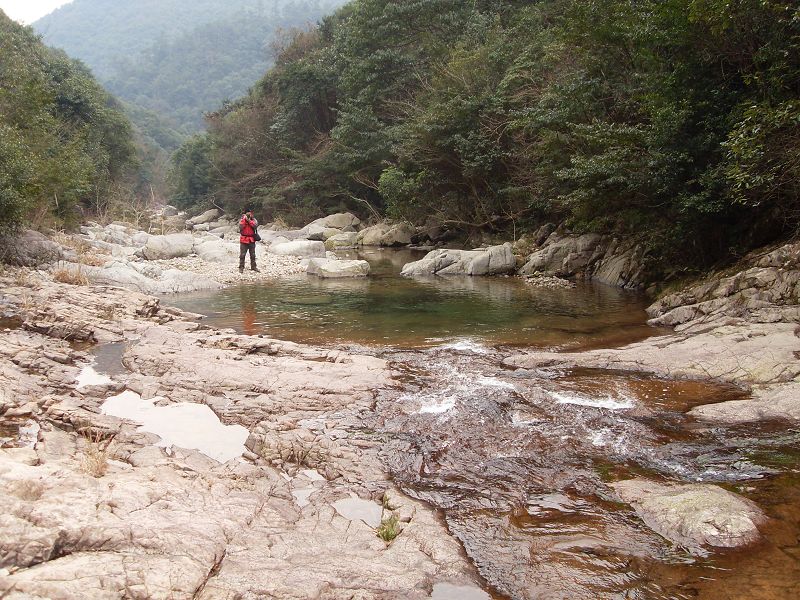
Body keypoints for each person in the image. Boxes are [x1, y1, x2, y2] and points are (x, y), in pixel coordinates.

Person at [239, 208, 260, 273]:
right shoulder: (242, 220)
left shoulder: (254, 220)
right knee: (242, 255)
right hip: (244, 239)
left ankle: (253, 267)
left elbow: (255, 226)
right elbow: (240, 227)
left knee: (253, 254)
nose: (249, 214)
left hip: (251, 239)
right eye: (248, 213)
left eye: (250, 213)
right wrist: (245, 220)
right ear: (245, 214)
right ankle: (241, 267)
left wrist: (249, 221)